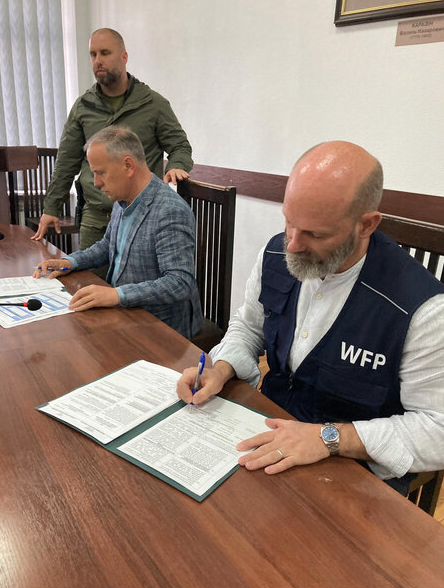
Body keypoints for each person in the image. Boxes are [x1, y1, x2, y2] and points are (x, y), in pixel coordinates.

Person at [177, 140, 444, 494]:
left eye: (315, 234)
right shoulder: (275, 254)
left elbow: (437, 429)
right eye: (289, 223)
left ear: (366, 225)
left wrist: (329, 438)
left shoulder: (422, 309)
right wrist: (220, 368)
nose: (292, 245)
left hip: (354, 477)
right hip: (269, 433)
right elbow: (248, 326)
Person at [34, 126, 202, 339]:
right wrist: (70, 262)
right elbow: (107, 246)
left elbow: (180, 282)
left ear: (128, 165)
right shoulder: (123, 196)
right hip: (127, 314)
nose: (96, 183)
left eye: (100, 172)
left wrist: (117, 295)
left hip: (160, 327)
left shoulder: (169, 210)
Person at [31, 28, 193, 250]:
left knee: (133, 283)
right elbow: (66, 162)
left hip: (142, 218)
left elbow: (180, 146)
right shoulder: (83, 106)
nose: (97, 61)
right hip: (95, 218)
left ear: (124, 57)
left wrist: (176, 165)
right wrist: (51, 208)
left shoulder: (153, 104)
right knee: (85, 280)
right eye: (93, 54)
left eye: (105, 53)